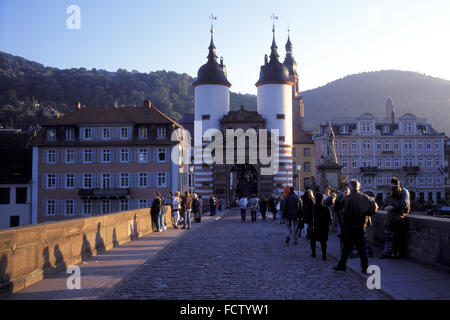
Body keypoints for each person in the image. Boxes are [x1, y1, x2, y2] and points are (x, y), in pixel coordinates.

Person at [333, 180, 378, 274]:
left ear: (350, 187)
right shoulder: (364, 197)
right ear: (358, 187)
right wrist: (367, 213)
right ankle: (365, 268)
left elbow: (336, 208)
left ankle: (342, 265)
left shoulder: (346, 198)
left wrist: (339, 197)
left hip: (348, 226)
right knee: (362, 248)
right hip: (360, 226)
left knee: (346, 248)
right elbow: (373, 209)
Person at [380, 177, 410, 259]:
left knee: (394, 237)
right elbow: (385, 204)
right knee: (392, 237)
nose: (391, 186)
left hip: (396, 218)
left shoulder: (403, 192)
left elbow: (405, 204)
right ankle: (392, 253)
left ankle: (392, 253)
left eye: (392, 185)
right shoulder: (392, 194)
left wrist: (392, 207)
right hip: (393, 218)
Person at [310, 193, 333, 261]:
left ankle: (313, 253)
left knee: (313, 240)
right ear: (322, 199)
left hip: (316, 226)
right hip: (324, 227)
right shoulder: (326, 208)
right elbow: (330, 218)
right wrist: (327, 225)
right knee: (323, 242)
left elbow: (311, 216)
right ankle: (324, 255)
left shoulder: (313, 207)